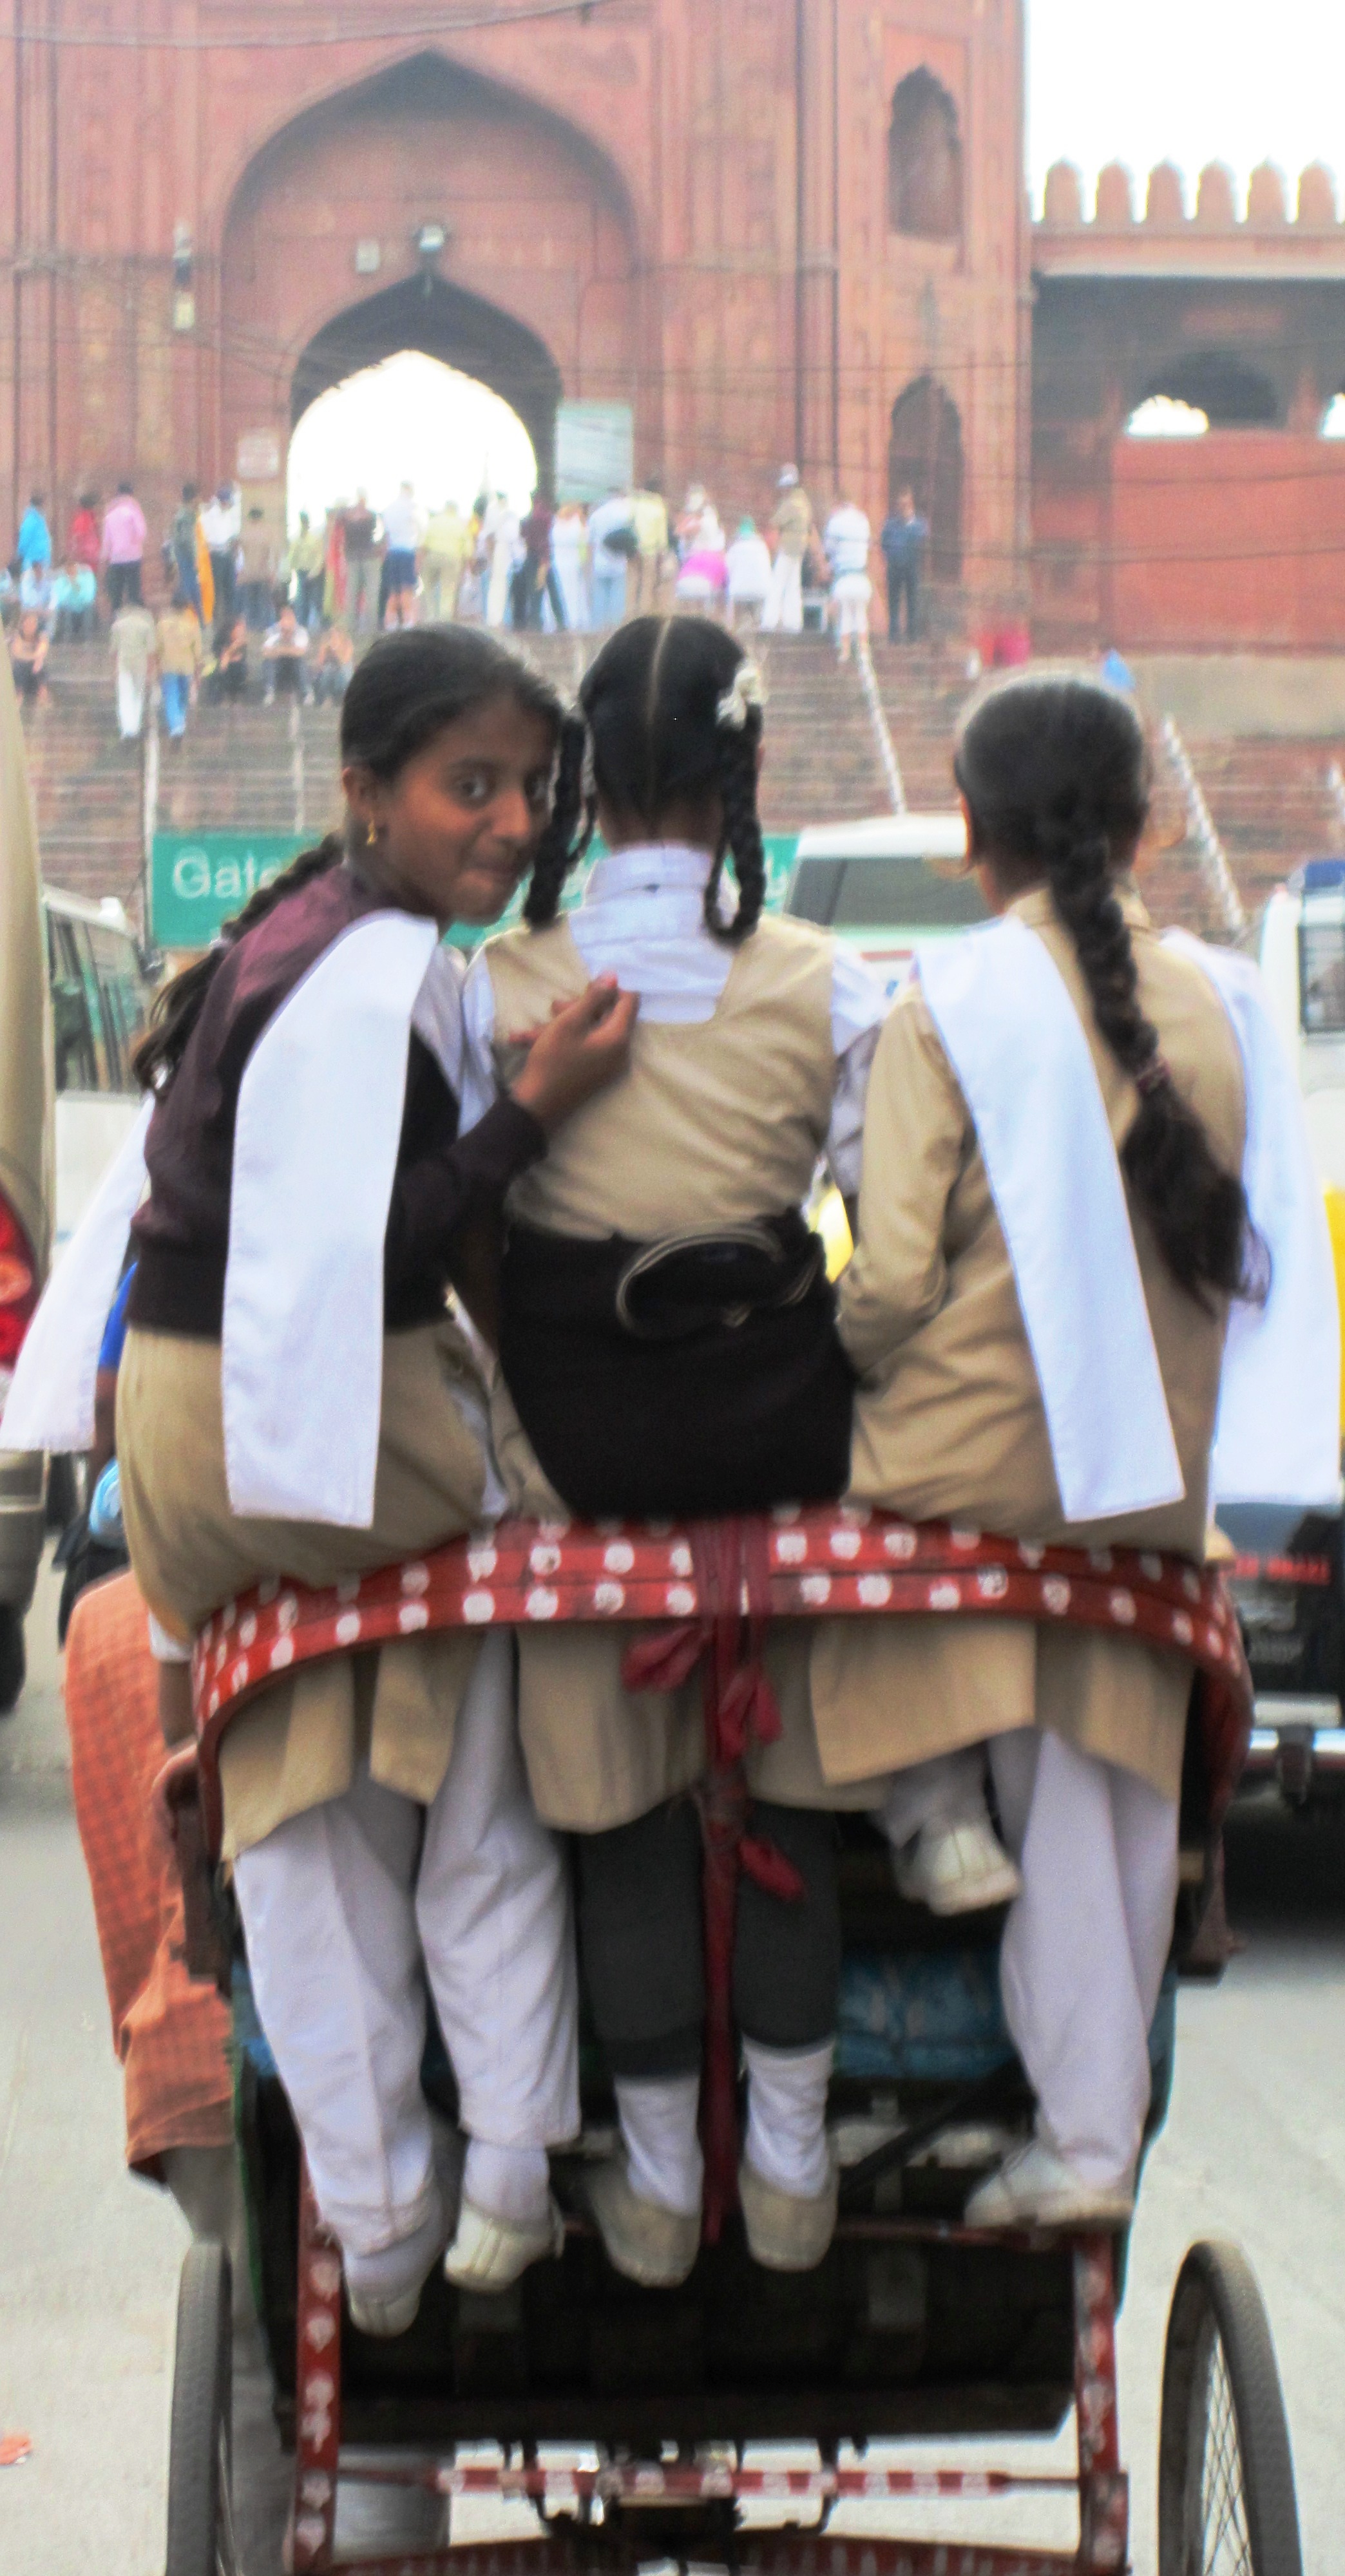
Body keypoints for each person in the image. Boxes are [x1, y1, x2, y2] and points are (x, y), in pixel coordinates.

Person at [2, 628, 638, 2329]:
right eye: (469, 788)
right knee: (485, 1758)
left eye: (525, 789)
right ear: (368, 793)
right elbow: (384, 1246)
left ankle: (375, 2223)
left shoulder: (298, 934)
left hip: (190, 1434)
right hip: (293, 1425)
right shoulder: (375, 976)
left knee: (302, 1797)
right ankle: (506, 2165)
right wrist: (538, 1110)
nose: (507, 825)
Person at [462, 616, 891, 2287]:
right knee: (786, 1785)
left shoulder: (503, 986)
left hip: (582, 1473)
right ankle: (790, 2173)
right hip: (778, 1456)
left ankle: (649, 2188)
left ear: (580, 785)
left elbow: (455, 1231)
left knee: (625, 1820)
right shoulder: (827, 984)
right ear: (744, 777)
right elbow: (895, 1214)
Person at [812, 674, 1272, 2227]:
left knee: (811, 1519)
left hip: (965, 1477)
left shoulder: (944, 1001)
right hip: (1149, 1487)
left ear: (970, 835)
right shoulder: (1221, 1001)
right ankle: (1085, 2143)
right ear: (1144, 827)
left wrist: (844, 1364)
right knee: (1095, 1763)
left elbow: (882, 1287)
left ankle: (929, 1811)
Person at [762, 467, 814, 634]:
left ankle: (769, 621)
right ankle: (794, 622)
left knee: (777, 584)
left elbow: (775, 522)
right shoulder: (805, 503)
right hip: (799, 549)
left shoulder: (791, 503)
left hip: (788, 548)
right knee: (793, 586)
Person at [825, 495, 873, 663]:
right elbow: (868, 545)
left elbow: (829, 548)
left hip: (844, 576)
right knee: (861, 616)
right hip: (861, 576)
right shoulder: (862, 519)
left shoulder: (836, 521)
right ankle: (864, 651)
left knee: (844, 615)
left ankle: (844, 653)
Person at [879, 486, 928, 643]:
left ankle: (912, 635)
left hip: (912, 568)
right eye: (900, 505)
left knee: (912, 601)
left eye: (905, 505)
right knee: (893, 601)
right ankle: (894, 635)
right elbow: (884, 543)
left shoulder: (919, 525)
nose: (902, 509)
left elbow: (923, 543)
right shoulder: (891, 524)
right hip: (894, 567)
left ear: (911, 505)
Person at [513, 491, 565, 632]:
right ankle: (561, 622)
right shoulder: (545, 516)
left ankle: (536, 623)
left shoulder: (528, 518)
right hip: (544, 557)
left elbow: (522, 536)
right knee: (553, 591)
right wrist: (545, 558)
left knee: (535, 592)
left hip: (532, 557)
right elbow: (545, 540)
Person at [156, 587, 202, 741]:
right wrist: (198, 672)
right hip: (186, 667)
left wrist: (157, 669)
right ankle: (179, 725)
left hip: (169, 666)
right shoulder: (192, 624)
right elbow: (198, 652)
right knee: (182, 697)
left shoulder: (162, 624)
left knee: (172, 697)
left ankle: (177, 727)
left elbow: (157, 649)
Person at [586, 486, 635, 627]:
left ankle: (597, 627)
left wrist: (589, 563)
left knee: (599, 597)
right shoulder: (624, 513)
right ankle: (615, 627)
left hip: (600, 561)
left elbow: (591, 542)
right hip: (618, 560)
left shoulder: (596, 515)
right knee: (617, 597)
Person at [111, 593, 157, 739]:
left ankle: (127, 729)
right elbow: (150, 650)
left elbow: (114, 650)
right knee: (138, 696)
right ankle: (135, 727)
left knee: (125, 696)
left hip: (124, 664)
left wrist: (114, 669)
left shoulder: (118, 625)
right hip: (140, 665)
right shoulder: (146, 625)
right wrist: (151, 669)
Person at [379, 482, 423, 627]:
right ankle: (408, 623)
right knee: (407, 590)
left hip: (392, 552)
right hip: (408, 552)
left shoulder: (389, 509)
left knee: (393, 591)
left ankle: (390, 623)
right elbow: (421, 532)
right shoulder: (413, 508)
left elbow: (386, 535)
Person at [200, 482, 242, 627]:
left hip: (228, 554)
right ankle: (215, 619)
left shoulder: (230, 514)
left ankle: (230, 619)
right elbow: (207, 538)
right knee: (216, 589)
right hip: (215, 555)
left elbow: (234, 535)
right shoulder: (210, 515)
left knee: (230, 588)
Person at [101, 481, 147, 610]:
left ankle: (116, 617)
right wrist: (133, 543)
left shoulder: (110, 514)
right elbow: (141, 532)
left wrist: (104, 557)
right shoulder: (133, 511)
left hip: (116, 558)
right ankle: (134, 617)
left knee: (117, 592)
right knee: (134, 590)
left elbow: (107, 539)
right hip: (133, 557)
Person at [421, 500, 468, 623]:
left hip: (432, 556)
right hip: (452, 558)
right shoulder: (461, 524)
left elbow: (423, 543)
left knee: (429, 588)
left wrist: (419, 561)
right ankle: (444, 621)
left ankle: (430, 618)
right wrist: (465, 566)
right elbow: (467, 549)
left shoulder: (434, 521)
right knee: (448, 591)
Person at [342, 490, 381, 634]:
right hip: (370, 557)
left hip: (352, 557)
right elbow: (380, 535)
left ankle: (351, 629)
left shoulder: (347, 515)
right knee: (371, 594)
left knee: (351, 594)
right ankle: (370, 630)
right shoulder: (372, 515)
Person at [479, 492, 519, 631]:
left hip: (505, 551)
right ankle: (494, 619)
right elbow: (490, 537)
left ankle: (499, 619)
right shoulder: (494, 512)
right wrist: (491, 558)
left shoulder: (507, 514)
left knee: (502, 586)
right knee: (496, 586)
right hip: (498, 550)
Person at [630, 474, 669, 615]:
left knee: (633, 582)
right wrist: (663, 552)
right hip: (650, 550)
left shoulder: (635, 503)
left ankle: (629, 612)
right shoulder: (659, 507)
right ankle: (643, 612)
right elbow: (662, 535)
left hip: (633, 549)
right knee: (648, 582)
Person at [725, 517, 772, 632]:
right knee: (757, 607)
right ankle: (758, 625)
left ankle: (733, 627)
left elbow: (727, 569)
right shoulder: (762, 547)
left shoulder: (735, 548)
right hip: (762, 590)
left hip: (739, 591)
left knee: (736, 596)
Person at [261, 600, 311, 705]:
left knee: (300, 662)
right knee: (268, 662)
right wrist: (282, 639)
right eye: (284, 616)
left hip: (294, 666)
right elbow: (266, 652)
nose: (286, 619)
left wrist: (280, 650)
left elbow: (301, 652)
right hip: (278, 666)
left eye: (289, 615)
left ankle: (307, 693)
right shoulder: (272, 631)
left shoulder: (301, 631)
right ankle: (269, 692)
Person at [549, 504, 589, 632]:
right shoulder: (577, 525)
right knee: (573, 591)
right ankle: (573, 619)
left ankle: (558, 619)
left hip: (559, 560)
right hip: (572, 560)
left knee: (560, 590)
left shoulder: (554, 524)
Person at [287, 510, 328, 630]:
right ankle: (302, 626)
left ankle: (318, 626)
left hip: (313, 574)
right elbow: (292, 556)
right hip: (301, 573)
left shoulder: (314, 539)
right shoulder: (296, 539)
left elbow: (319, 557)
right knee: (302, 601)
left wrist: (313, 572)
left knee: (315, 601)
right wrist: (293, 569)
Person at [169, 483, 204, 619]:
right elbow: (186, 540)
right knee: (190, 590)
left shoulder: (182, 514)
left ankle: (193, 618)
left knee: (188, 589)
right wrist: (195, 559)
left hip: (183, 558)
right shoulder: (187, 516)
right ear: (194, 498)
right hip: (186, 558)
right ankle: (195, 620)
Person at [239, 507, 276, 630]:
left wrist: (242, 572)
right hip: (262, 573)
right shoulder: (267, 533)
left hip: (249, 573)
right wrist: (272, 572)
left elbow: (241, 554)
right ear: (261, 518)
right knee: (263, 602)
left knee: (250, 602)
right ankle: (263, 628)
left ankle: (250, 628)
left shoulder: (245, 533)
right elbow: (270, 554)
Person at [53, 553, 97, 641]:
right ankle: (66, 637)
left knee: (90, 606)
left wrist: (76, 584)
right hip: (68, 608)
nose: (71, 569)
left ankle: (88, 637)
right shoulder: (60, 579)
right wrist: (70, 585)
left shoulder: (87, 575)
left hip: (83, 606)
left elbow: (88, 597)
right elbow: (60, 599)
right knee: (64, 609)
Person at [9, 607, 50, 701]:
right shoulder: (17, 636)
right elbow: (17, 654)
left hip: (35, 670)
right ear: (23, 624)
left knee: (40, 667)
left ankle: (43, 696)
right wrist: (36, 658)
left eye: (34, 623)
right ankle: (19, 696)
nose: (31, 626)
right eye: (28, 622)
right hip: (21, 670)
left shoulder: (41, 636)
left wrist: (37, 659)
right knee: (20, 666)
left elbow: (42, 650)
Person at [212, 614, 249, 703]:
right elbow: (222, 658)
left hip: (237, 668)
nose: (242, 632)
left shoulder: (242, 642)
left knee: (240, 667)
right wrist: (233, 648)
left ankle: (237, 698)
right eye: (239, 629)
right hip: (221, 666)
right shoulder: (222, 640)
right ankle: (223, 698)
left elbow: (241, 657)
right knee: (224, 669)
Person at [68, 491, 102, 588]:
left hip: (85, 558)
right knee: (89, 584)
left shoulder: (80, 520)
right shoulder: (90, 519)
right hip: (89, 559)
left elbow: (76, 540)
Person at [14, 491, 51, 574]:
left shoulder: (38, 520)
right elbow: (24, 541)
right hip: (33, 562)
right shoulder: (33, 520)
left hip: (40, 561)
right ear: (41, 505)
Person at [19, 559, 57, 632]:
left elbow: (54, 596)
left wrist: (50, 608)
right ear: (33, 570)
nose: (39, 572)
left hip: (44, 608)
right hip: (30, 608)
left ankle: (47, 637)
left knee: (53, 613)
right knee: (27, 611)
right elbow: (26, 598)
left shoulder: (48, 579)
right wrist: (37, 609)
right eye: (37, 569)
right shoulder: (27, 579)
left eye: (41, 569)